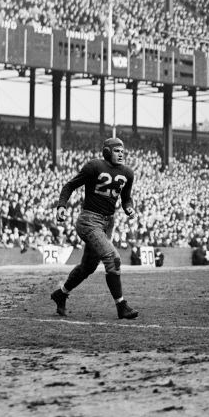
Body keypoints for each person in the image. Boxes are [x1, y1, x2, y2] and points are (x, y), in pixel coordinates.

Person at [48, 137, 140, 320]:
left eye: (122, 151)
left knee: (88, 267)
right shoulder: (94, 167)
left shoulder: (128, 173)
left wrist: (128, 207)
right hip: (89, 220)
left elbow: (126, 197)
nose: (121, 153)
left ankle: (61, 293)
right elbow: (70, 185)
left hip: (108, 223)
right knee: (112, 258)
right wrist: (61, 206)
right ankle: (121, 306)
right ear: (107, 152)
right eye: (116, 150)